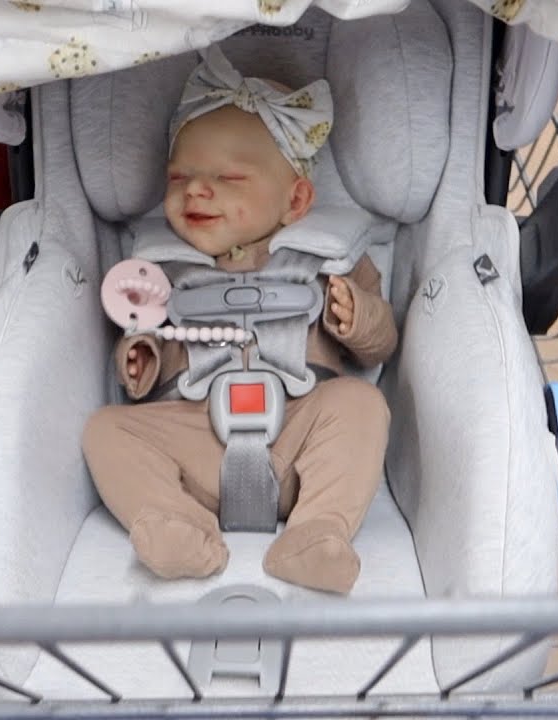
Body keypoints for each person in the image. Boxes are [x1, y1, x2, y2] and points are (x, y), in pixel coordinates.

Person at [81, 47, 397, 594]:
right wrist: (140, 358)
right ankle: (173, 522)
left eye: (229, 177)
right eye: (179, 177)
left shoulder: (331, 261)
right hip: (194, 436)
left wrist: (357, 318)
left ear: (295, 200)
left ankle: (318, 530)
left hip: (300, 432)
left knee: (362, 405)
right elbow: (146, 346)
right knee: (105, 430)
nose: (196, 190)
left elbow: (382, 345)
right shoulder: (159, 272)